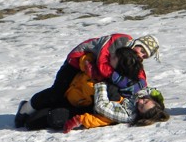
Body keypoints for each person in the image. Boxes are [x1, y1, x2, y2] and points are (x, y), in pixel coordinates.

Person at [15, 33, 160, 128]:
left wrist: (134, 85)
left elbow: (140, 78)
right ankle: (26, 108)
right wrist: (110, 79)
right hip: (78, 60)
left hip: (86, 85)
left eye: (144, 56)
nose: (140, 55)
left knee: (62, 107)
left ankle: (42, 115)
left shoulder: (131, 60)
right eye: (142, 50)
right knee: (56, 93)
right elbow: (102, 66)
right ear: (137, 42)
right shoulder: (119, 41)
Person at [63, 82, 170, 132]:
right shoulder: (139, 97)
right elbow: (146, 89)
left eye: (141, 107)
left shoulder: (127, 114)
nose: (140, 102)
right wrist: (156, 94)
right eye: (145, 101)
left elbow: (102, 106)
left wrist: (101, 84)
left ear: (140, 114)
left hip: (87, 106)